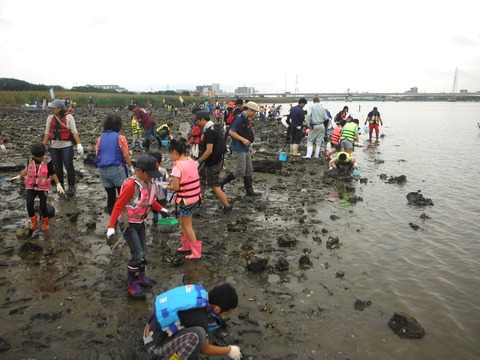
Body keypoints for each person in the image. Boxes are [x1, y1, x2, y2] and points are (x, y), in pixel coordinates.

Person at [106, 154, 169, 300]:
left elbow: (150, 201)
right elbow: (118, 205)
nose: (152, 178)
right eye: (150, 174)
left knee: (143, 250)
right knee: (137, 253)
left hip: (140, 221)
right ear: (139, 171)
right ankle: (132, 283)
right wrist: (111, 227)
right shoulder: (130, 185)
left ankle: (141, 275)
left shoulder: (150, 183)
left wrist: (162, 210)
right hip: (128, 224)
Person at [144, 283, 242, 359]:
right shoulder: (200, 318)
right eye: (226, 313)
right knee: (198, 335)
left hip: (149, 330)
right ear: (217, 309)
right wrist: (229, 350)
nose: (224, 316)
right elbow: (206, 349)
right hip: (153, 347)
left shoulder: (197, 292)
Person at [10, 143, 65, 232]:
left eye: (41, 156)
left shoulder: (48, 162)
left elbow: (52, 173)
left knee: (43, 206)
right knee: (29, 204)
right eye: (37, 157)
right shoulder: (30, 160)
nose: (39, 158)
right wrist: (19, 176)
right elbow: (28, 170)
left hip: (42, 187)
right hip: (30, 186)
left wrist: (58, 183)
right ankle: (34, 222)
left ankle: (45, 222)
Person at [166, 139, 202, 259]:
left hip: (186, 199)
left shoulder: (177, 167)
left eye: (171, 153)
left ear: (175, 152)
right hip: (195, 197)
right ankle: (186, 246)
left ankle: (196, 253)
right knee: (183, 221)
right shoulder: (190, 160)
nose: (171, 156)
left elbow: (176, 187)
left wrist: (166, 186)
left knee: (187, 226)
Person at [42, 99, 84, 197]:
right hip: (53, 146)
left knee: (69, 166)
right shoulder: (50, 118)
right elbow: (47, 133)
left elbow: (74, 131)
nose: (51, 109)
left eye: (53, 108)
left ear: (59, 108)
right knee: (57, 167)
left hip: (66, 146)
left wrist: (79, 144)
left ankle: (71, 186)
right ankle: (59, 185)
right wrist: (43, 146)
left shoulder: (69, 117)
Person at [95, 114, 134, 214]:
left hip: (102, 170)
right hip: (116, 169)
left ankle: (112, 221)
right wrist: (131, 167)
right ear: (119, 125)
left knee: (110, 196)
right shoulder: (120, 138)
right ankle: (125, 220)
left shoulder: (100, 138)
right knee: (123, 195)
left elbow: (97, 153)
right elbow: (126, 155)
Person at [219, 101, 261, 196]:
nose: (255, 114)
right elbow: (231, 132)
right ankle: (221, 183)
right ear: (249, 110)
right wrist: (243, 140)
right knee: (240, 171)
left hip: (245, 148)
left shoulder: (246, 119)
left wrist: (248, 146)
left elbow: (245, 133)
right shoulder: (239, 118)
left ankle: (249, 190)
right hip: (238, 148)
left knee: (249, 169)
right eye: (254, 112)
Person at [195, 110, 232, 214]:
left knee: (214, 185)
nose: (197, 123)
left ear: (202, 119)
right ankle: (198, 199)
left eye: (198, 121)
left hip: (213, 162)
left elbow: (209, 150)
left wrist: (198, 162)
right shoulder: (215, 127)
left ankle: (227, 206)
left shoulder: (209, 132)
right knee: (199, 176)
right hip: (216, 159)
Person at [149, 152, 169, 225]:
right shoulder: (163, 171)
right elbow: (168, 182)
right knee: (162, 208)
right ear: (160, 162)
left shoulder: (149, 172)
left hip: (152, 195)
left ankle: (155, 220)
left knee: (154, 209)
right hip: (162, 195)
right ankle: (164, 222)